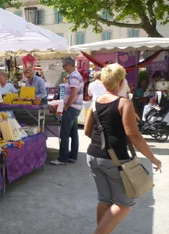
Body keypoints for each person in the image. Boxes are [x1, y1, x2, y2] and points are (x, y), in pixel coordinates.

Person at [84, 63, 162, 234]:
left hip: (93, 155)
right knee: (124, 204)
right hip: (115, 160)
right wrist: (153, 159)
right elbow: (134, 136)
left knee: (105, 200)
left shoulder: (95, 103)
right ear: (120, 83)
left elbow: (87, 131)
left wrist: (103, 143)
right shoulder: (124, 103)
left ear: (104, 82)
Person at [50, 57, 83, 165]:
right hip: (75, 107)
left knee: (64, 134)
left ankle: (63, 158)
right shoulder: (75, 75)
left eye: (64, 66)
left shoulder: (73, 76)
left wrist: (66, 106)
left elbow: (73, 94)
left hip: (71, 108)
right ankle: (72, 156)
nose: (63, 68)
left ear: (69, 65)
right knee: (73, 133)